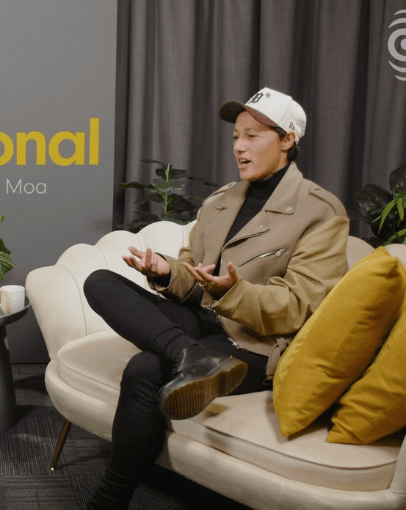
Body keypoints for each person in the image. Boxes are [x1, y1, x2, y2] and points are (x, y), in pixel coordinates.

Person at [82, 87, 349, 508]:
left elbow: (299, 307)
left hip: (255, 343)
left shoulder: (321, 211)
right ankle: (190, 354)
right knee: (98, 281)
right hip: (200, 323)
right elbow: (194, 275)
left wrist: (235, 292)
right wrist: (167, 271)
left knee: (145, 368)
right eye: (235, 136)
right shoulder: (221, 200)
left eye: (253, 136)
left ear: (287, 140)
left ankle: (107, 501)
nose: (239, 147)